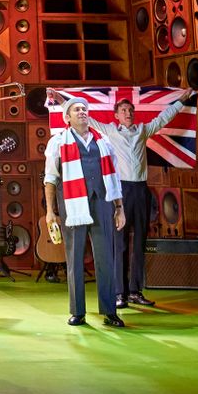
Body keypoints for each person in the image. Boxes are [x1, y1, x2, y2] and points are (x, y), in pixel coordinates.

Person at [50, 87, 194, 308]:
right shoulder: (108, 132)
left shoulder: (143, 130)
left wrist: (181, 100)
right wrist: (61, 100)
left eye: (130, 110)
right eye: (123, 110)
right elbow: (81, 118)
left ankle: (136, 290)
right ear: (116, 115)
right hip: (120, 190)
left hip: (141, 190)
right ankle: (119, 293)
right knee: (119, 242)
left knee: (140, 242)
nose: (127, 113)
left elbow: (164, 117)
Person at [43, 97, 125, 328]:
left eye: (84, 109)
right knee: (75, 258)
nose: (82, 112)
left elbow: (115, 178)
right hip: (72, 205)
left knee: (105, 258)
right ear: (67, 117)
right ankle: (77, 311)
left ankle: (110, 311)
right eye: (76, 109)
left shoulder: (104, 142)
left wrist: (119, 208)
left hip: (102, 203)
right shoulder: (58, 142)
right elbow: (50, 178)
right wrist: (50, 211)